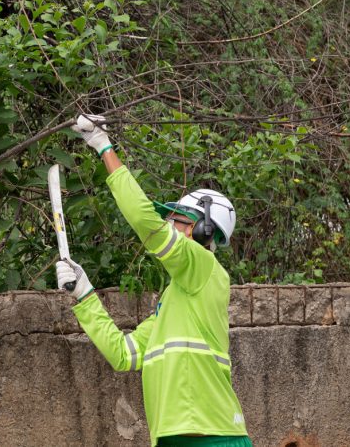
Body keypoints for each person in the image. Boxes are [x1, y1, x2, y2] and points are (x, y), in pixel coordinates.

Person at [56, 114, 252, 447]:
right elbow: (124, 354)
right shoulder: (175, 301)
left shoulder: (204, 268)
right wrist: (84, 293)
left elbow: (147, 224)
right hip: (175, 439)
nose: (168, 224)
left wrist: (105, 148)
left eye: (175, 219)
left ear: (201, 229)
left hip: (214, 438)